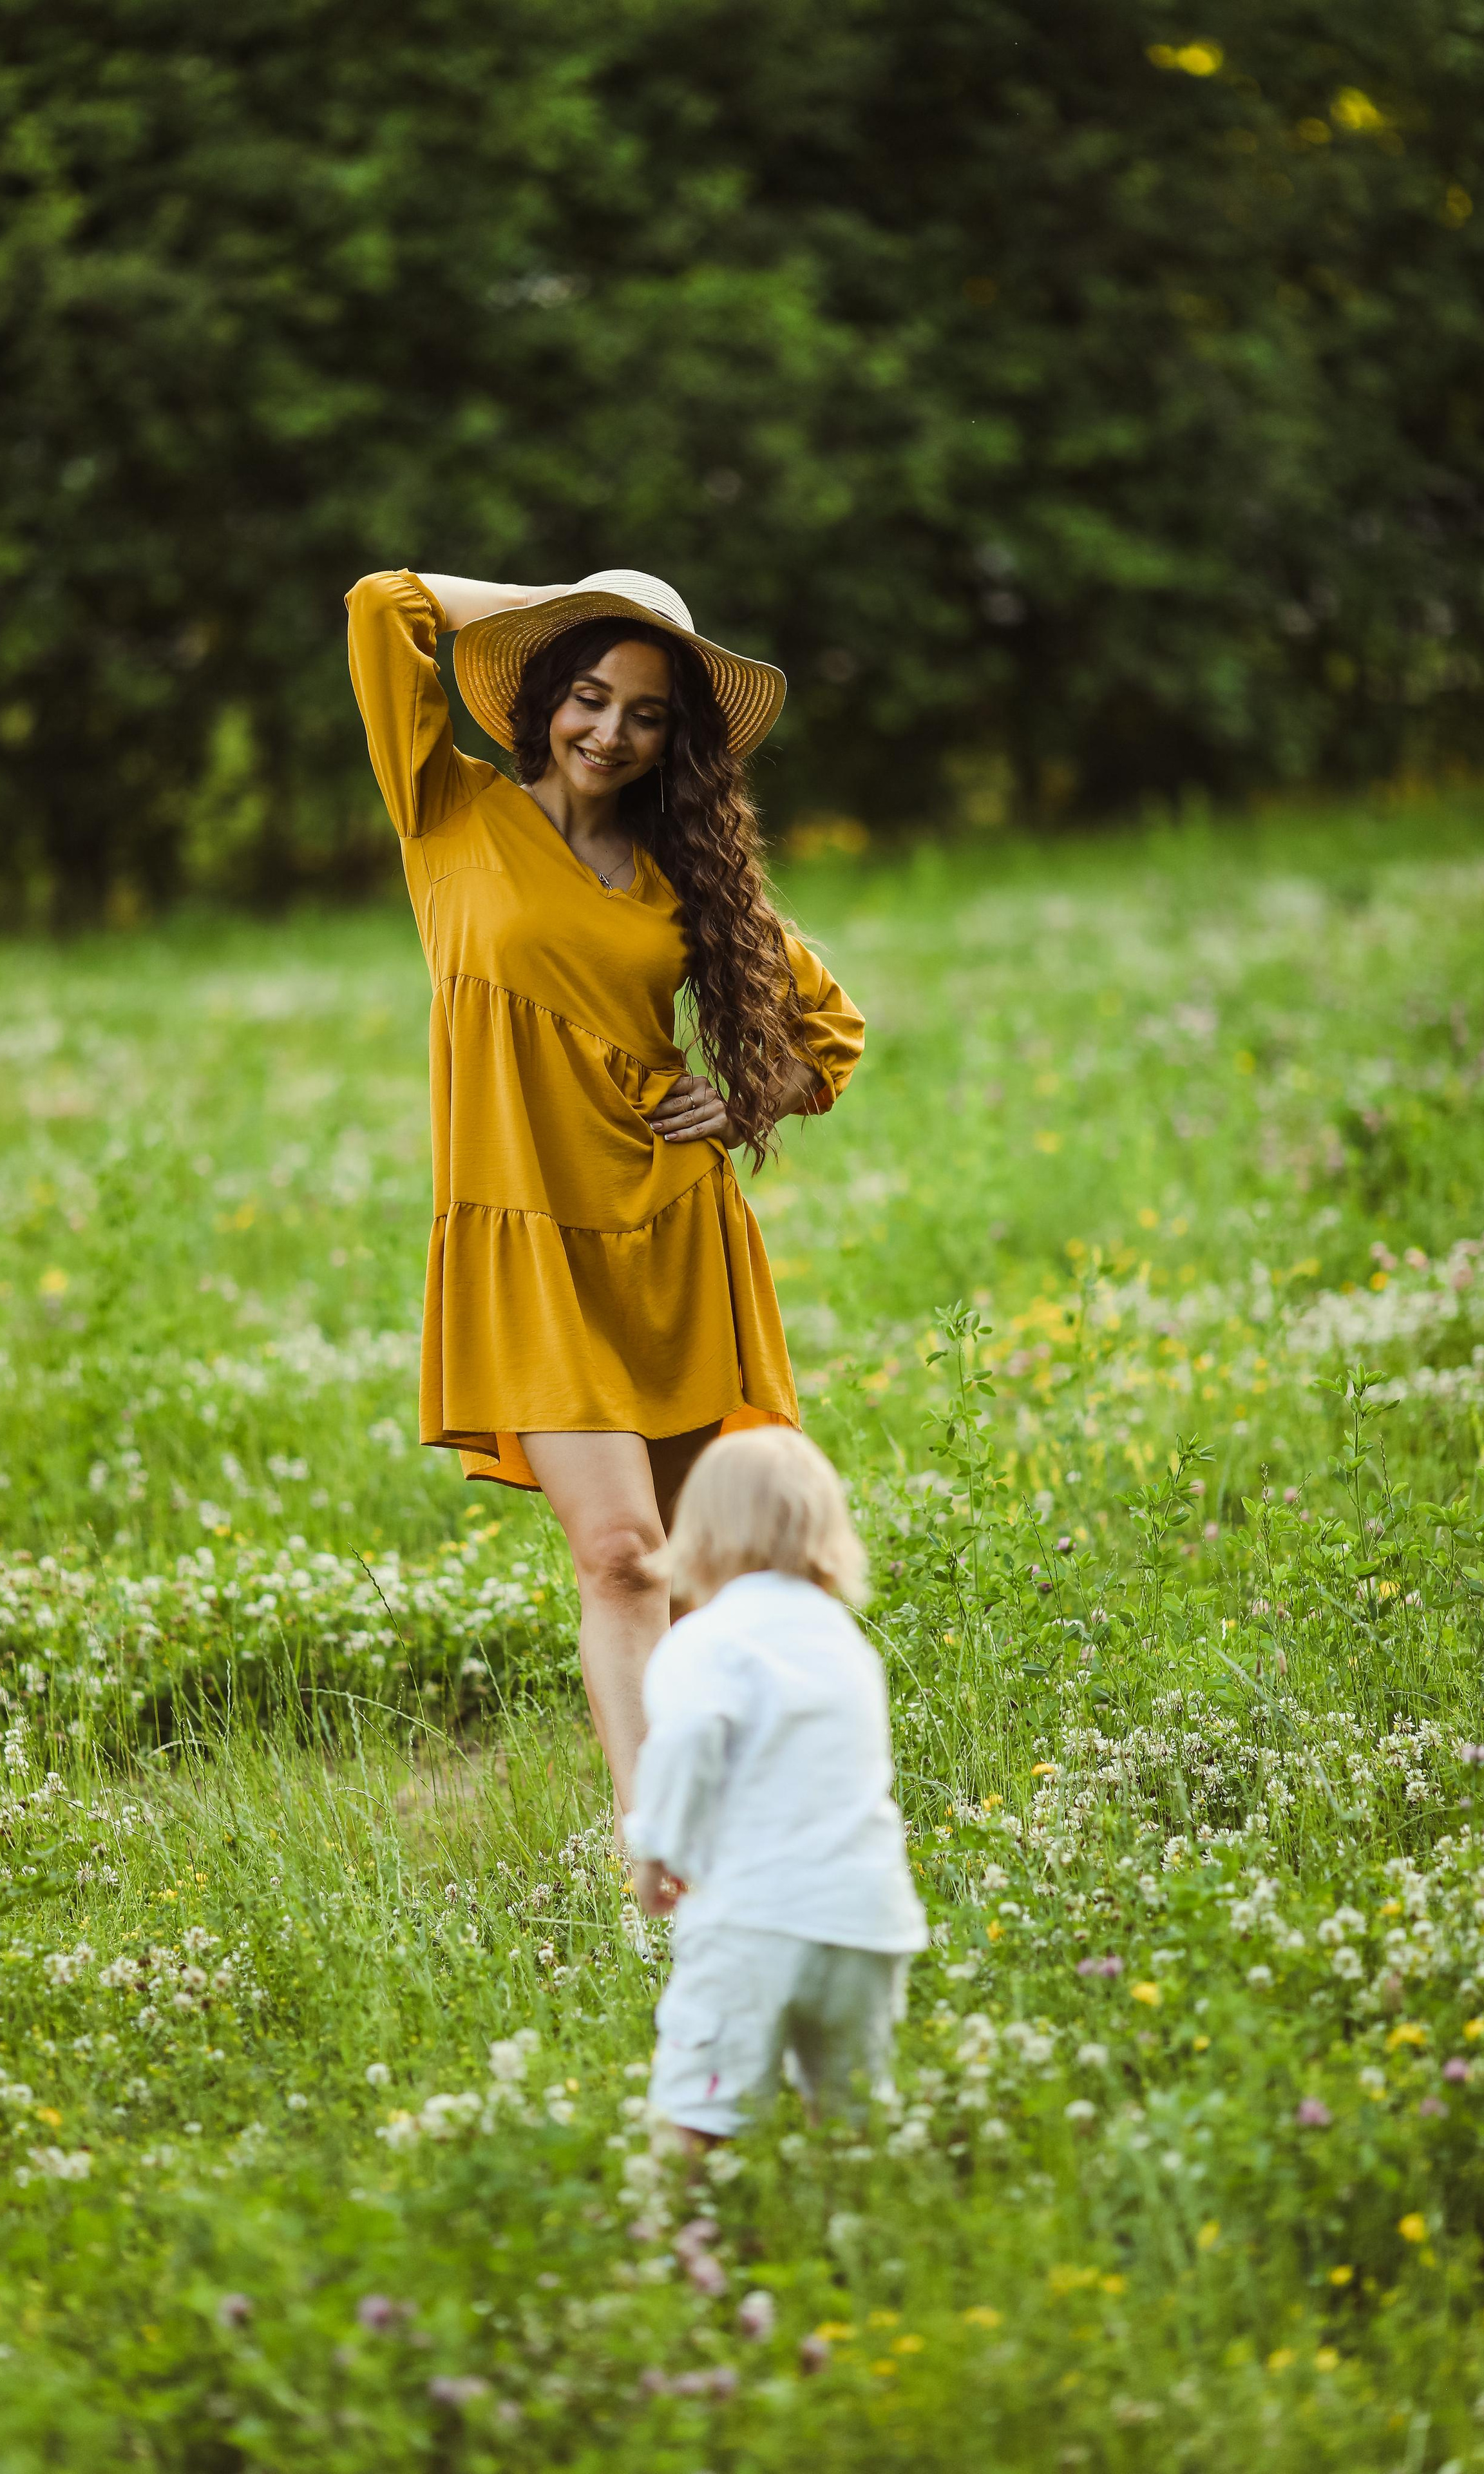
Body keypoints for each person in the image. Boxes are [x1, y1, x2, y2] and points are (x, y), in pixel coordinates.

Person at [345, 565, 864, 1809]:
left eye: (644, 711)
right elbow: (384, 604)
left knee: (703, 1570)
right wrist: (582, 599)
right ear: (543, 699)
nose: (609, 732)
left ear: (672, 738)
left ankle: (745, 1805)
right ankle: (660, 1850)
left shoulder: (685, 873)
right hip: (528, 1246)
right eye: (588, 694)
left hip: (670, 1233)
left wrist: (742, 1104)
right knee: (624, 1558)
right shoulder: (449, 812)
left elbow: (828, 1030)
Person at [624, 1428, 926, 2142]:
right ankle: (848, 2234)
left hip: (753, 1921)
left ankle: (670, 2238)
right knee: (852, 2111)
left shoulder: (706, 1640)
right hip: (866, 1921)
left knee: (698, 2106)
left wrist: (657, 1852)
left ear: (698, 1534)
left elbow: (686, 1743)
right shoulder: (846, 1643)